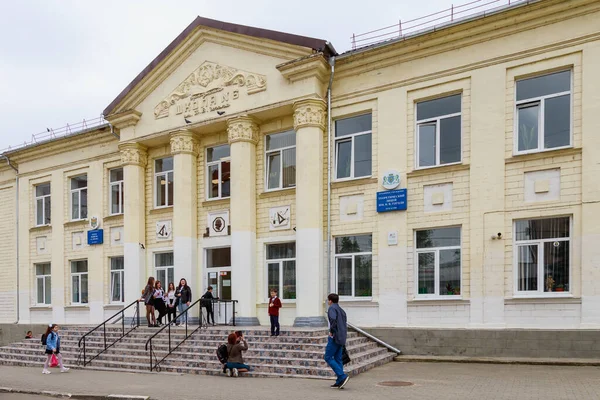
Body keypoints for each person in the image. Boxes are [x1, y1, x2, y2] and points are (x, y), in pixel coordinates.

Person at [325, 293, 349, 389]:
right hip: (342, 337)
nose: (328, 302)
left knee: (328, 357)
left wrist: (331, 331)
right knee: (338, 359)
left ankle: (342, 376)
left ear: (330, 301)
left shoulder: (332, 308)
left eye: (328, 300)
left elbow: (333, 321)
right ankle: (340, 381)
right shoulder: (342, 310)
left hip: (335, 337)